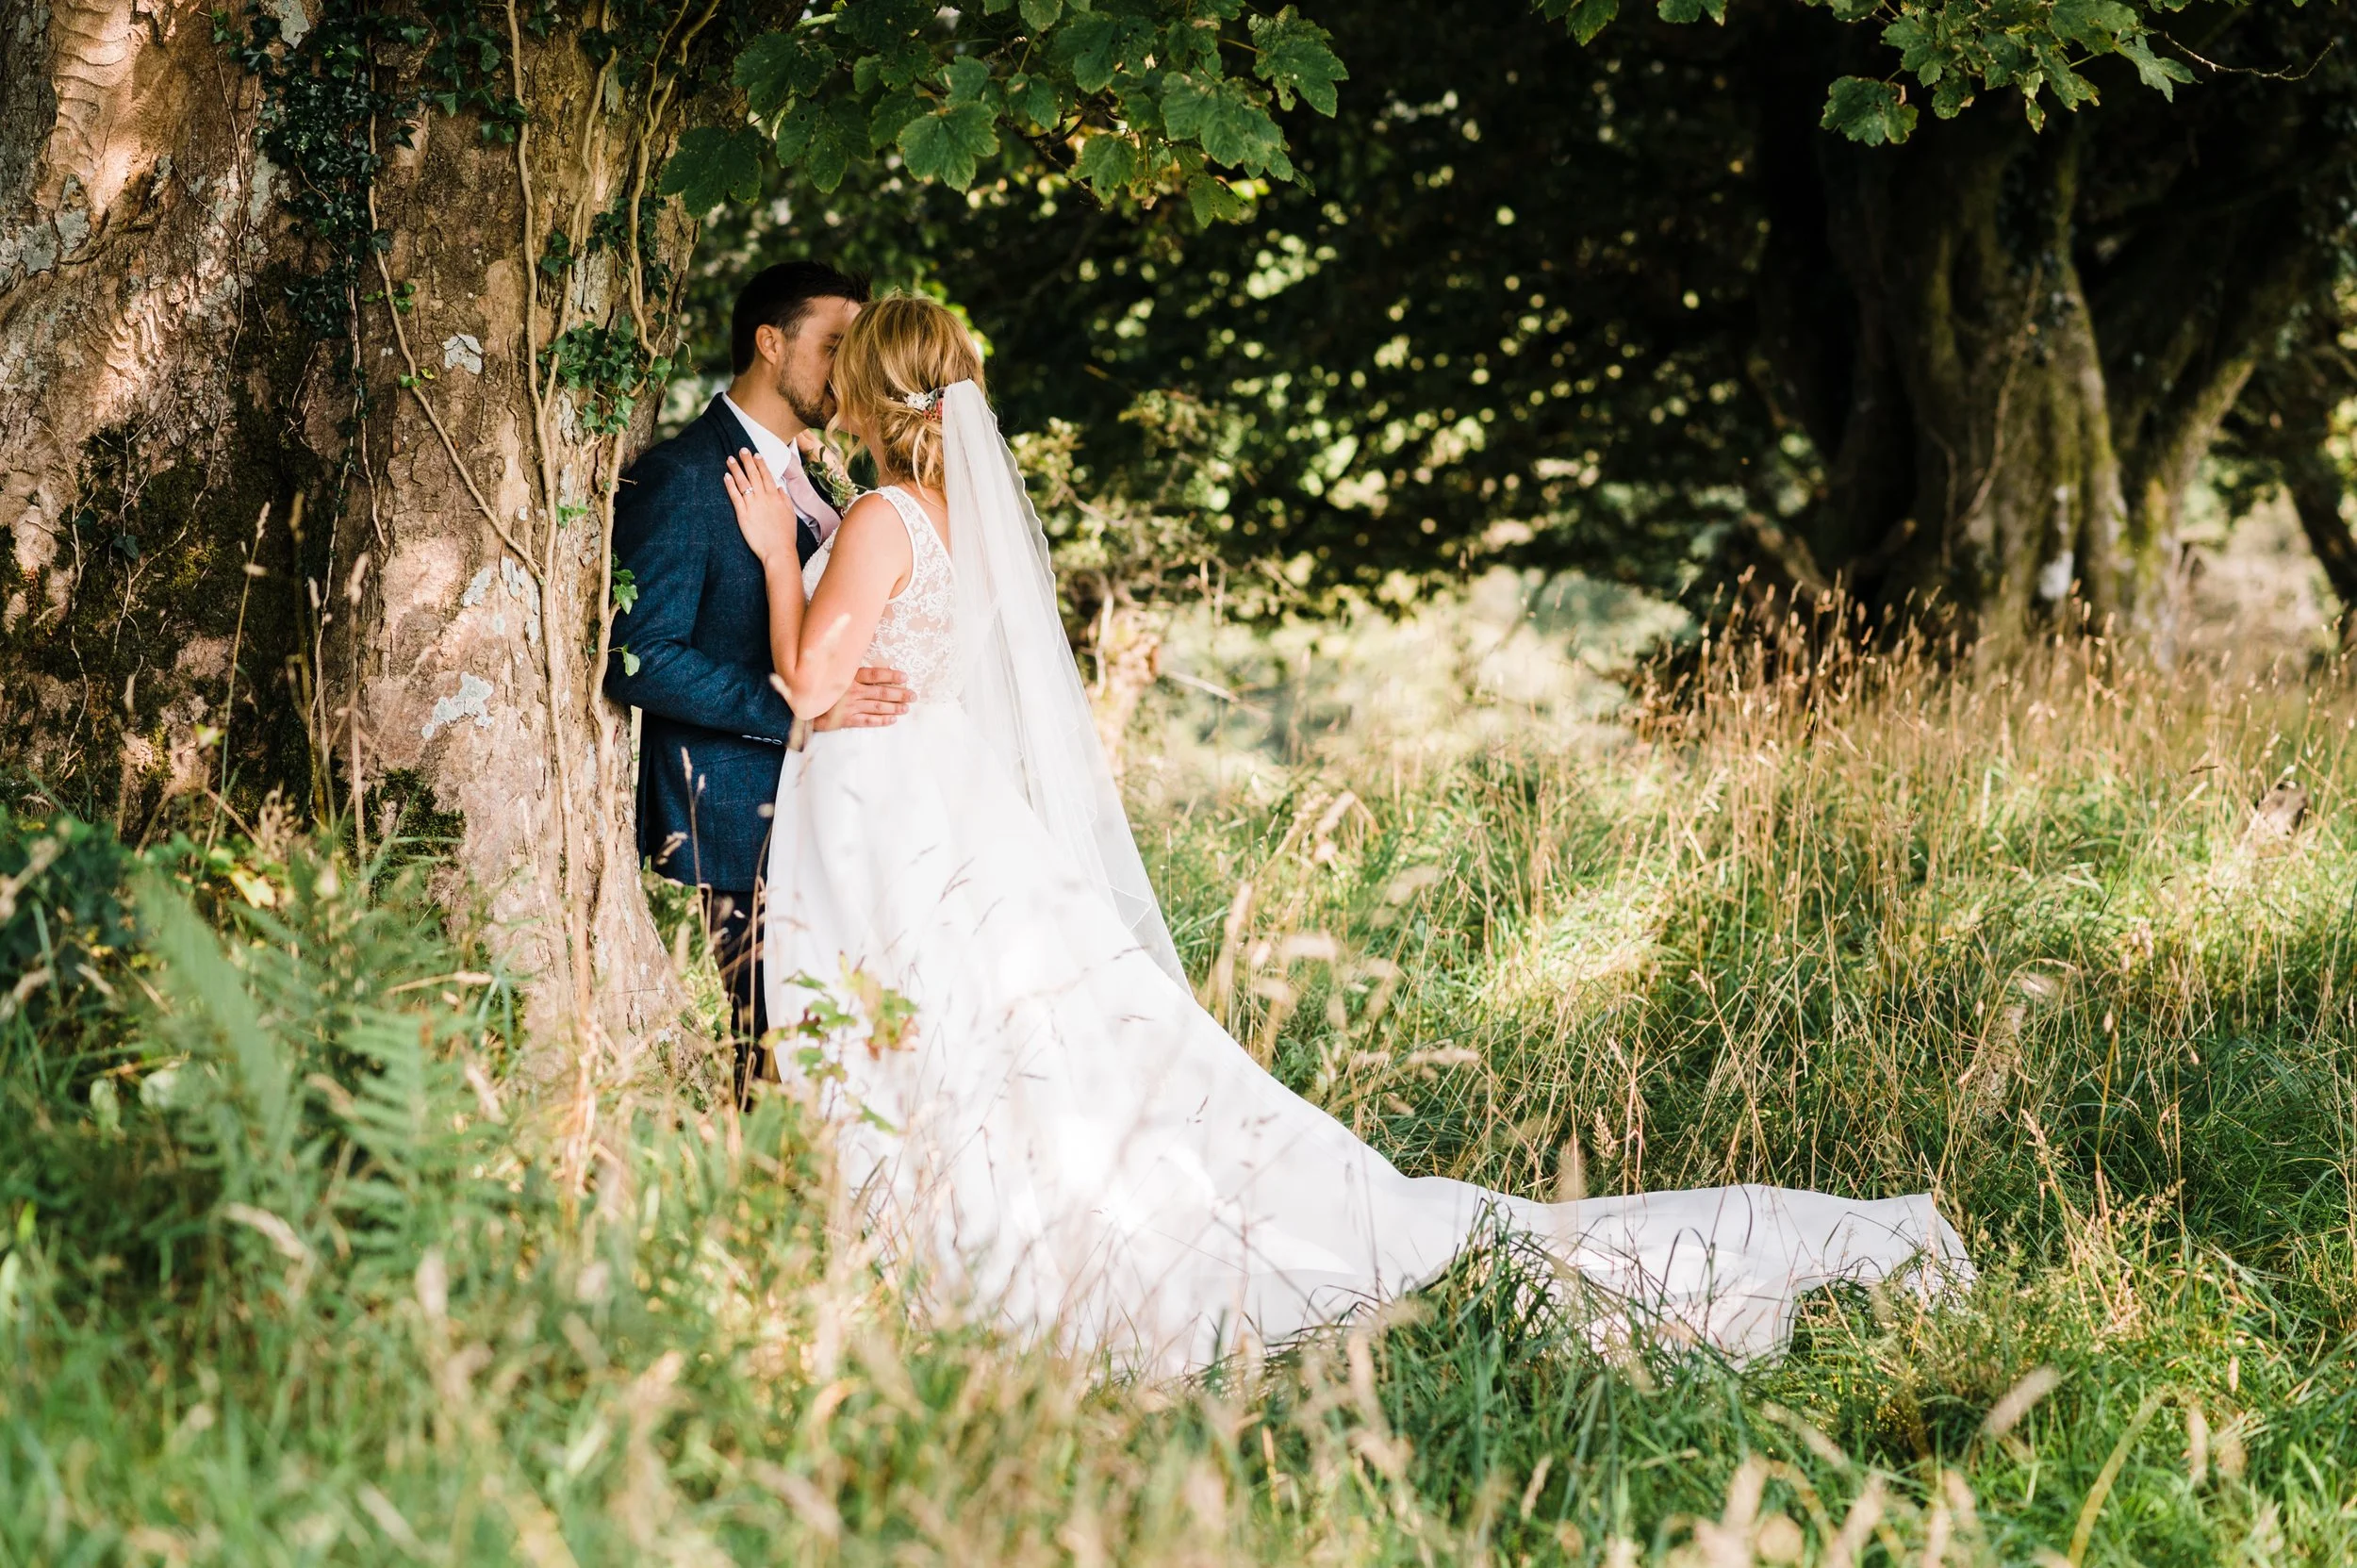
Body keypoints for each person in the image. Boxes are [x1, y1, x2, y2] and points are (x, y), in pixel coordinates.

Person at [723, 293, 1974, 1378]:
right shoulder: (961, 516)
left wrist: (782, 553)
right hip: (941, 795)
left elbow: (812, 680)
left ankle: (914, 1221)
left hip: (881, 795)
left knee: (923, 1012)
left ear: (879, 391)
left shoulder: (883, 511)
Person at [604, 261, 910, 1101]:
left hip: (837, 808)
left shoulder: (821, 478)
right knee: (772, 1047)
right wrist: (802, 717)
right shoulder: (686, 477)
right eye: (835, 347)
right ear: (771, 343)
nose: (850, 372)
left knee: (851, 1040)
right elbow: (641, 655)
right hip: (741, 812)